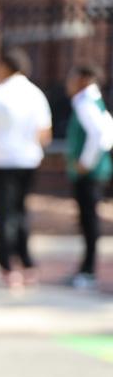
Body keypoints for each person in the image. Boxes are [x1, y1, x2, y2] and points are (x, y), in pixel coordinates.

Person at [0, 47, 52, 289]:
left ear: (5, 66)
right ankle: (27, 264)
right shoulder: (36, 94)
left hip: (4, 161)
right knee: (21, 212)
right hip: (28, 160)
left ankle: (7, 268)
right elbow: (45, 133)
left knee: (4, 216)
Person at [64, 63, 113, 291]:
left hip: (90, 174)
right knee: (88, 221)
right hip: (95, 171)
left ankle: (88, 271)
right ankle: (86, 268)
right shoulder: (93, 101)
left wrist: (85, 162)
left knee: (89, 221)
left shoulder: (85, 102)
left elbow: (101, 134)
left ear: (83, 78)